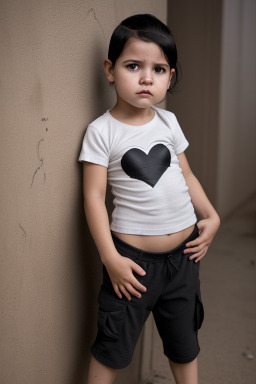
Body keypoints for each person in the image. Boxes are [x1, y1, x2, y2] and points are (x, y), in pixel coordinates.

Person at [78, 14, 220, 384]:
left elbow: (186, 175)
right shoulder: (101, 131)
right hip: (132, 266)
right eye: (133, 66)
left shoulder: (168, 122)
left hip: (184, 259)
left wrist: (211, 215)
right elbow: (93, 197)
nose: (146, 78)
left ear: (169, 77)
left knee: (184, 343)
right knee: (111, 348)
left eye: (158, 69)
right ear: (110, 70)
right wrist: (110, 258)